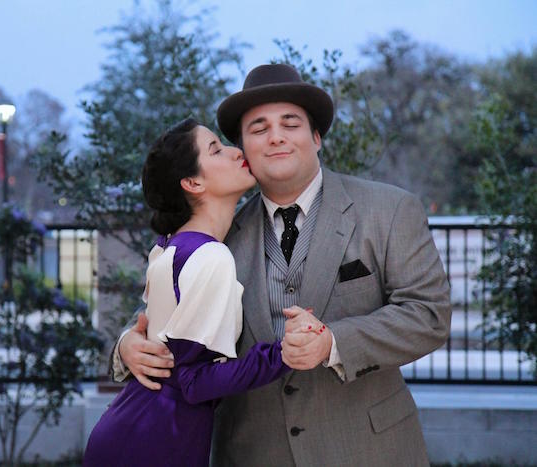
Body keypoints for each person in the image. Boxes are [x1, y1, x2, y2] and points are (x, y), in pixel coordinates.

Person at [112, 64, 452, 466]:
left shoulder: (389, 209)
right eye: (258, 129)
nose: (275, 137)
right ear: (244, 151)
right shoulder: (218, 235)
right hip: (250, 452)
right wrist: (126, 347)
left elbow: (428, 315)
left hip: (369, 449)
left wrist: (333, 343)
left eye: (290, 123)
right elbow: (165, 316)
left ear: (317, 137)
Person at [84, 118, 319, 467]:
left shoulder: (172, 246)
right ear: (193, 183)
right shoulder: (210, 255)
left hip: (131, 426)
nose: (235, 151)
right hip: (157, 441)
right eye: (216, 150)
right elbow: (195, 380)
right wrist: (284, 353)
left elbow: (163, 346)